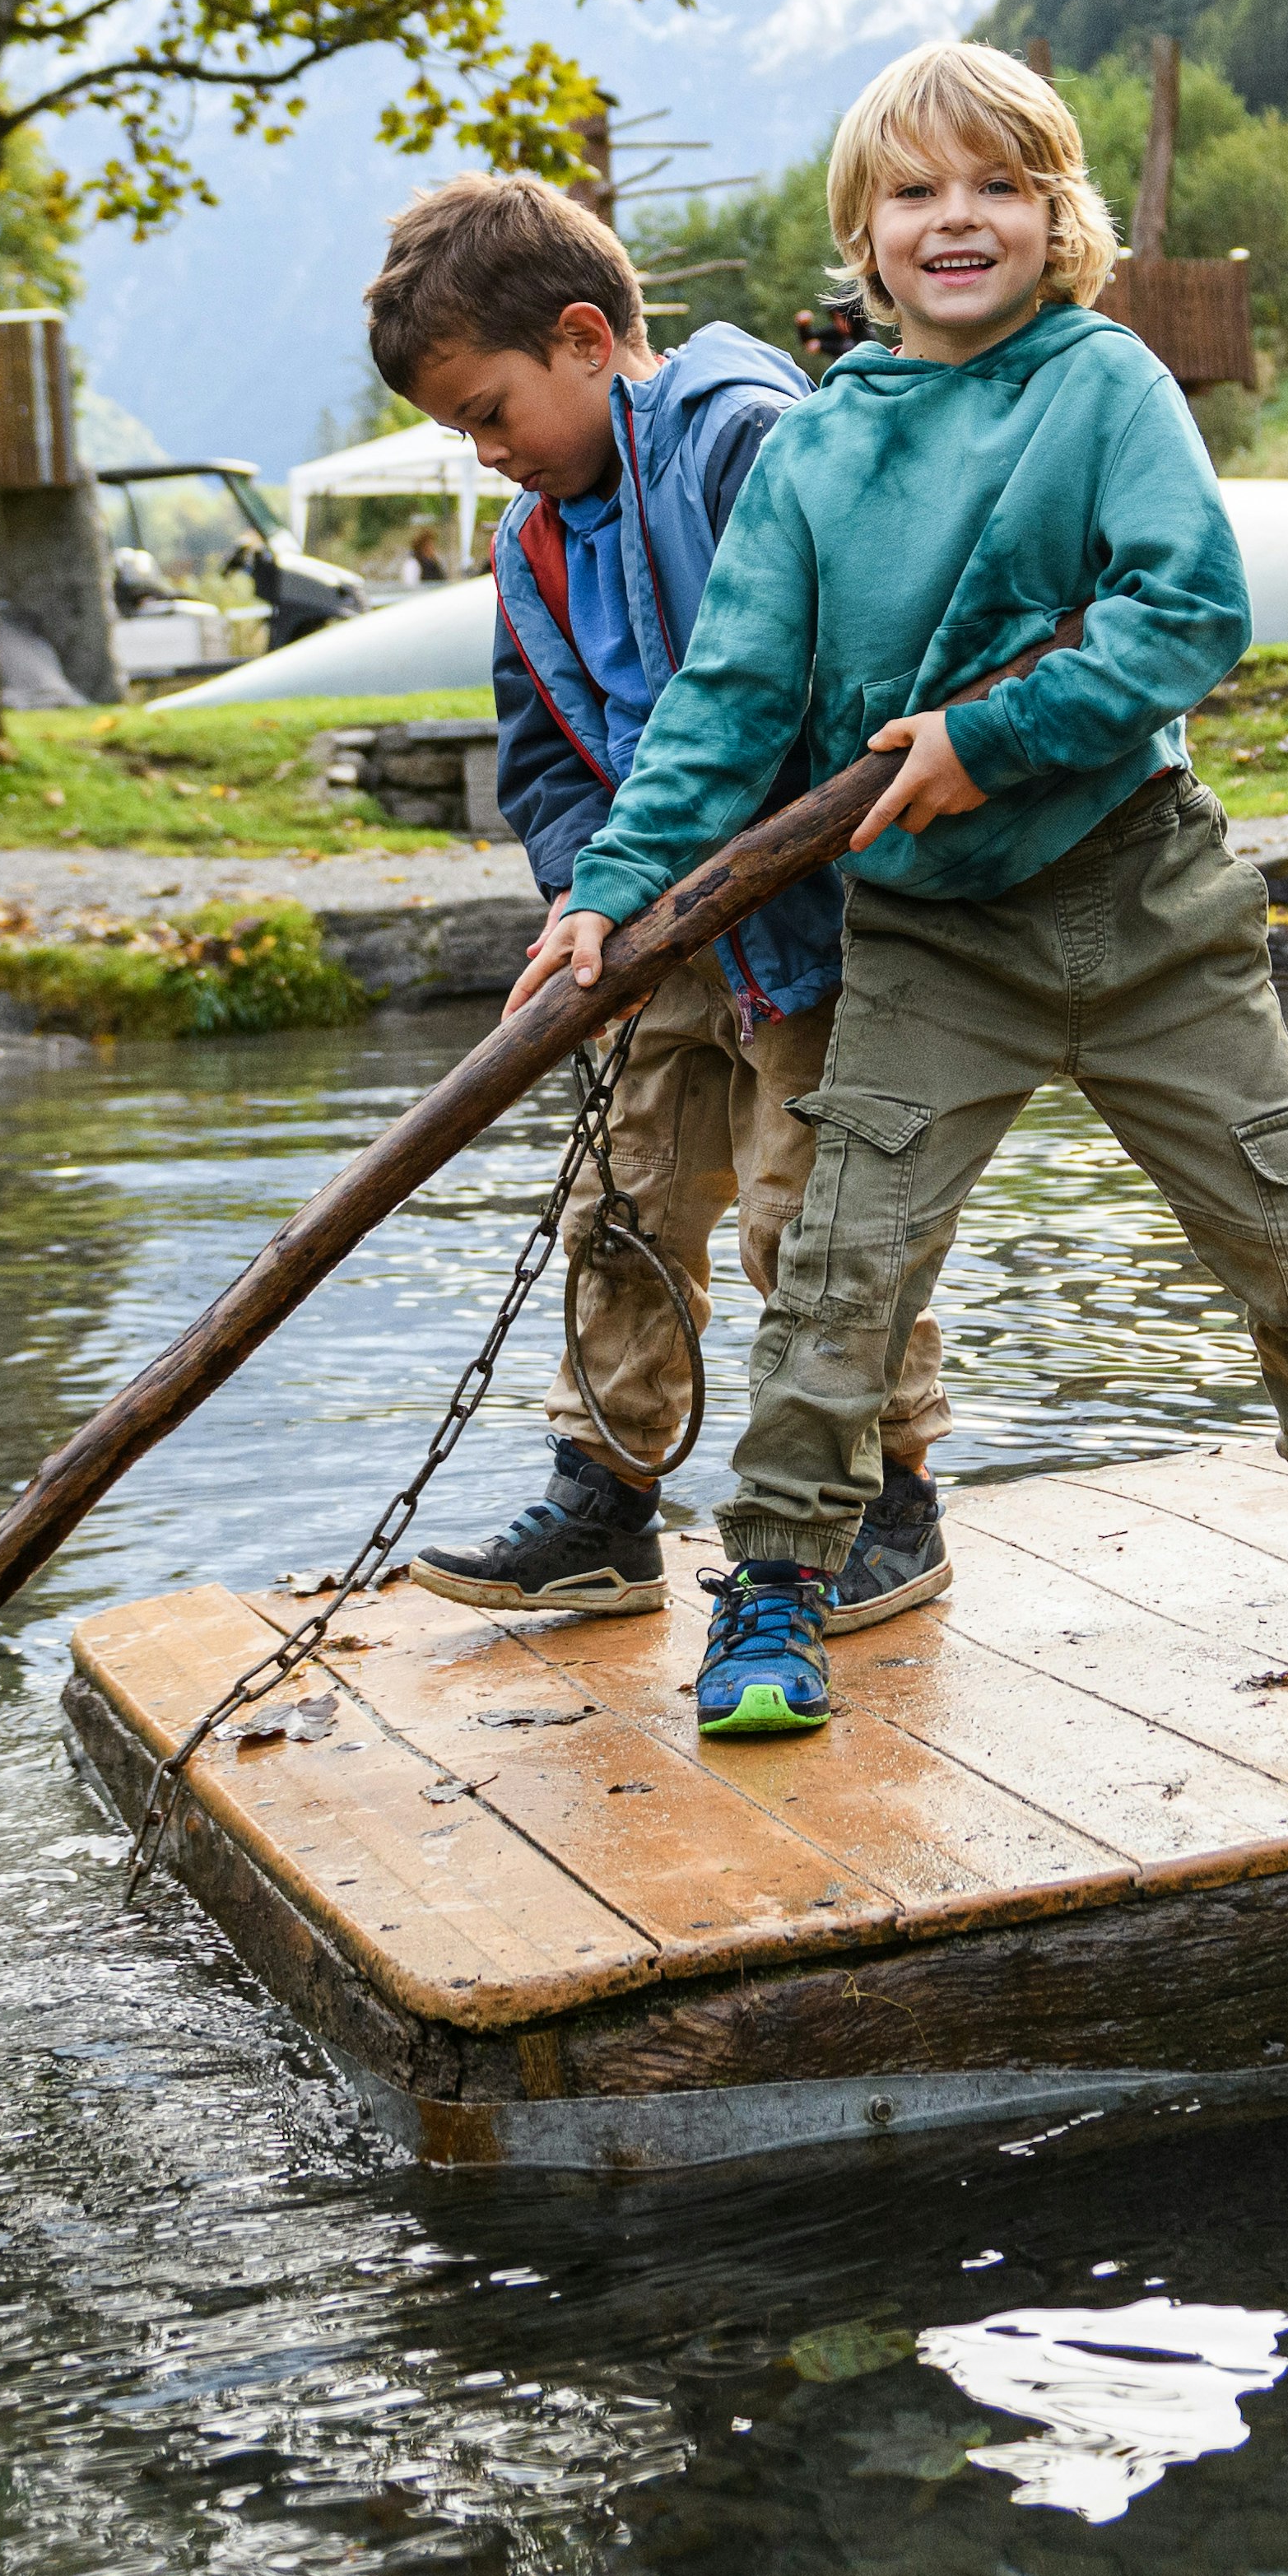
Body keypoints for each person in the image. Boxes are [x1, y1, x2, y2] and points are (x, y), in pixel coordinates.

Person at [518, 35, 1288, 1743]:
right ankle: (774, 1582)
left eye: (998, 183)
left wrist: (993, 734)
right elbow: (726, 704)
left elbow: (1182, 613)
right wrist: (613, 888)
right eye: (915, 191)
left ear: (1057, 212)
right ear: (862, 233)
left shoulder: (1105, 386)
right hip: (927, 933)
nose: (957, 218)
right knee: (845, 1265)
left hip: (1146, 898)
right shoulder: (815, 454)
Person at [365, 173, 962, 1634]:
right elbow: (546, 762)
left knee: (809, 1220)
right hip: (655, 941)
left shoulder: (742, 442)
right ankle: (604, 1502)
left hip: (813, 925)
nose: (490, 454)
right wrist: (586, 901)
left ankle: (884, 1498)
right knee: (622, 1201)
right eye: (463, 434)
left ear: (584, 337)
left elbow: (821, 672)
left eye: (493, 412)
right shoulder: (531, 547)